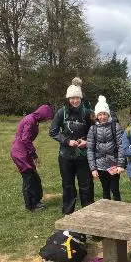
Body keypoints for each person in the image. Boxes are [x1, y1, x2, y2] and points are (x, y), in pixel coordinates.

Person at [49, 77, 94, 215]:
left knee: (86, 186)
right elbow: (53, 132)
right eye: (72, 98)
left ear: (81, 98)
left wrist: (87, 141)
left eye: (77, 98)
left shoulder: (88, 113)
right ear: (68, 99)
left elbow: (96, 131)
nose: (75, 101)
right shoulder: (61, 113)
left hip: (83, 156)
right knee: (68, 185)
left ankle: (88, 213)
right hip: (65, 156)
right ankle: (68, 214)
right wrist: (67, 141)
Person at [11, 104, 54, 211]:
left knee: (35, 178)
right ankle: (31, 206)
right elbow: (25, 139)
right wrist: (33, 153)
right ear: (42, 114)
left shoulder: (34, 120)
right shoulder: (29, 121)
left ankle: (36, 201)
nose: (46, 120)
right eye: (46, 117)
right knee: (29, 179)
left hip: (24, 152)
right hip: (21, 153)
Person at [86, 96, 124, 202]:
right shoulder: (92, 129)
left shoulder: (115, 126)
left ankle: (118, 211)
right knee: (105, 190)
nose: (102, 117)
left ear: (108, 114)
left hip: (114, 165)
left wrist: (121, 164)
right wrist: (93, 168)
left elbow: (121, 146)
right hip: (100, 166)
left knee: (115, 189)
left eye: (104, 114)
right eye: (100, 114)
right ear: (97, 115)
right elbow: (90, 149)